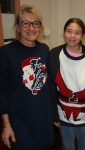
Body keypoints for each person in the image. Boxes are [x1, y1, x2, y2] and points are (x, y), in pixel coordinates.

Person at [0, 4, 55, 150]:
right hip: (20, 122)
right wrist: (6, 125)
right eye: (26, 23)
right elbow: (1, 91)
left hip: (43, 119)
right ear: (18, 26)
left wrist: (54, 114)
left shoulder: (44, 49)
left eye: (35, 23)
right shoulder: (6, 53)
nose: (31, 28)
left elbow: (48, 84)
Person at [48, 18, 85, 150]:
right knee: (67, 146)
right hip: (63, 114)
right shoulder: (54, 54)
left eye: (77, 33)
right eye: (69, 31)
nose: (72, 36)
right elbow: (51, 88)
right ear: (63, 33)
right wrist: (54, 115)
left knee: (84, 146)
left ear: (83, 36)